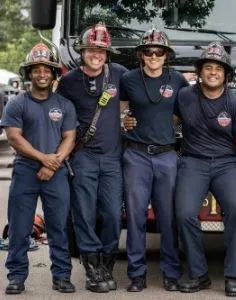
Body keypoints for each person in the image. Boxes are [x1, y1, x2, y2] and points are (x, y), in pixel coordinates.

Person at [174, 42, 236, 297]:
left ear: (226, 75)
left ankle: (233, 277)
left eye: (218, 69)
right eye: (208, 67)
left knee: (235, 210)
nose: (212, 72)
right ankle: (199, 275)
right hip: (193, 161)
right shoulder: (184, 96)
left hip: (226, 164)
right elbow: (166, 120)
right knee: (184, 213)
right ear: (200, 72)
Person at [56, 22, 127, 293]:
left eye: (101, 50)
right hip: (83, 156)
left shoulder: (120, 75)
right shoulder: (69, 81)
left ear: (107, 53)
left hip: (112, 158)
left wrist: (129, 118)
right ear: (82, 51)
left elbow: (142, 96)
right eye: (91, 50)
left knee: (111, 213)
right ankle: (91, 268)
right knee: (83, 214)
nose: (96, 55)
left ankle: (107, 263)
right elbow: (57, 116)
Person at [2, 42, 77, 294]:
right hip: (25, 170)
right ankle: (16, 276)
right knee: (20, 227)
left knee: (58, 227)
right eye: (36, 70)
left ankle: (62, 276)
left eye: (47, 70)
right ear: (29, 73)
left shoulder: (65, 105)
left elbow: (69, 137)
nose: (42, 74)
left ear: (55, 73)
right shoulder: (17, 104)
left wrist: (52, 162)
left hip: (56, 171)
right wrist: (43, 158)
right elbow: (14, 137)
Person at [120, 27, 189, 292]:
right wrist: (124, 121)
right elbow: (121, 111)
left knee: (167, 217)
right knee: (136, 217)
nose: (153, 56)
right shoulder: (128, 79)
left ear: (166, 55)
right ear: (140, 55)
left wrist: (165, 127)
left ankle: (171, 273)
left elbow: (182, 112)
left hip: (166, 156)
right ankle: (137, 274)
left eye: (158, 52)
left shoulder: (178, 80)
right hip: (136, 154)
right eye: (148, 52)